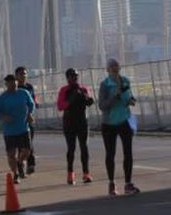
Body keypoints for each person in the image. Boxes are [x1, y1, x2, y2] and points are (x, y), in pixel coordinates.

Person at [98, 58, 139, 196]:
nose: (115, 68)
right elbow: (102, 106)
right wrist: (114, 97)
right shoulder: (105, 85)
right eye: (111, 66)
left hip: (124, 121)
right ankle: (111, 183)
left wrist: (131, 100)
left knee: (128, 153)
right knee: (111, 154)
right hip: (109, 123)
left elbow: (130, 97)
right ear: (107, 70)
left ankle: (128, 184)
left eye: (116, 66)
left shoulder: (125, 81)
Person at [0, 73, 36, 183]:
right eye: (10, 82)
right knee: (11, 154)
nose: (13, 84)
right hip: (10, 131)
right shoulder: (3, 97)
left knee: (27, 151)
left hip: (23, 128)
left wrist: (30, 114)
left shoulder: (24, 93)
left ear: (17, 82)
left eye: (14, 81)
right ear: (6, 84)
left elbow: (31, 104)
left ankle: (20, 162)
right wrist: (3, 117)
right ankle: (15, 174)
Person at [57, 67, 94, 185]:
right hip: (69, 122)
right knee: (71, 148)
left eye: (76, 76)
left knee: (84, 147)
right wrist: (70, 101)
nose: (75, 78)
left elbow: (89, 101)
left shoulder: (83, 89)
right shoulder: (64, 90)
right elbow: (60, 106)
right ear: (67, 78)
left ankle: (86, 173)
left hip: (82, 121)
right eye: (72, 76)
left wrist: (88, 99)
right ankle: (70, 173)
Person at [15, 67, 38, 174]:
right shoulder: (14, 88)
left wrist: (35, 104)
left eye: (25, 74)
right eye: (21, 74)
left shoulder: (29, 87)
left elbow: (33, 99)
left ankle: (31, 164)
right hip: (18, 121)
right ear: (16, 76)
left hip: (29, 119)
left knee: (29, 142)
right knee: (20, 143)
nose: (23, 76)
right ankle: (20, 162)